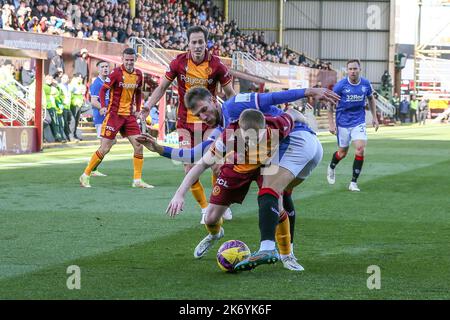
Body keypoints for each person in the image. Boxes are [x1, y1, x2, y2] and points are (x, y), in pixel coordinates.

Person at [144, 86, 339, 271]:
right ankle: (216, 233)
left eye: (205, 109)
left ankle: (285, 254)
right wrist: (160, 150)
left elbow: (275, 100)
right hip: (240, 167)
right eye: (198, 115)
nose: (203, 117)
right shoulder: (225, 133)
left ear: (213, 100)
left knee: (275, 197)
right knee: (211, 218)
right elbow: (199, 158)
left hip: (276, 153)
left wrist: (308, 93)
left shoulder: (238, 106)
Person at [141, 25, 236, 224]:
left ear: (206, 43)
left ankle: (220, 203)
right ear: (188, 43)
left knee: (217, 166)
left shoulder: (217, 65)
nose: (197, 46)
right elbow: (162, 87)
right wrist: (148, 105)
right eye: (194, 42)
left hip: (209, 121)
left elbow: (230, 95)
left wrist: (235, 114)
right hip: (185, 123)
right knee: (188, 167)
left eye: (201, 42)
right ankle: (205, 209)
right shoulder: (178, 63)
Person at [79, 48, 153, 189]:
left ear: (135, 59)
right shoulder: (116, 73)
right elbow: (103, 90)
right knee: (105, 147)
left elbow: (138, 93)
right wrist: (103, 106)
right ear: (122, 59)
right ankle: (86, 174)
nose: (129, 62)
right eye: (127, 60)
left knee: (138, 146)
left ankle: (137, 180)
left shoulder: (138, 74)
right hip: (114, 116)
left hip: (129, 117)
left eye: (132, 60)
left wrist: (137, 110)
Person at [326, 59, 379, 192]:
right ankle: (332, 166)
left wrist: (375, 117)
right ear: (347, 70)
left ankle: (353, 183)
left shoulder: (366, 84)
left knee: (360, 148)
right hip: (342, 122)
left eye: (355, 69)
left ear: (360, 69)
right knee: (342, 153)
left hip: (358, 121)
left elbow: (371, 99)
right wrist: (331, 124)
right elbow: (330, 104)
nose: (353, 71)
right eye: (350, 69)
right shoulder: (340, 86)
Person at [88, 60, 111, 177]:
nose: (105, 68)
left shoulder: (108, 82)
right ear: (98, 69)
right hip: (101, 118)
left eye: (107, 66)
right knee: (105, 145)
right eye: (102, 67)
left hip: (108, 117)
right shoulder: (97, 83)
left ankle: (93, 168)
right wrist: (104, 108)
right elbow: (93, 101)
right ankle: (92, 169)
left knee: (108, 144)